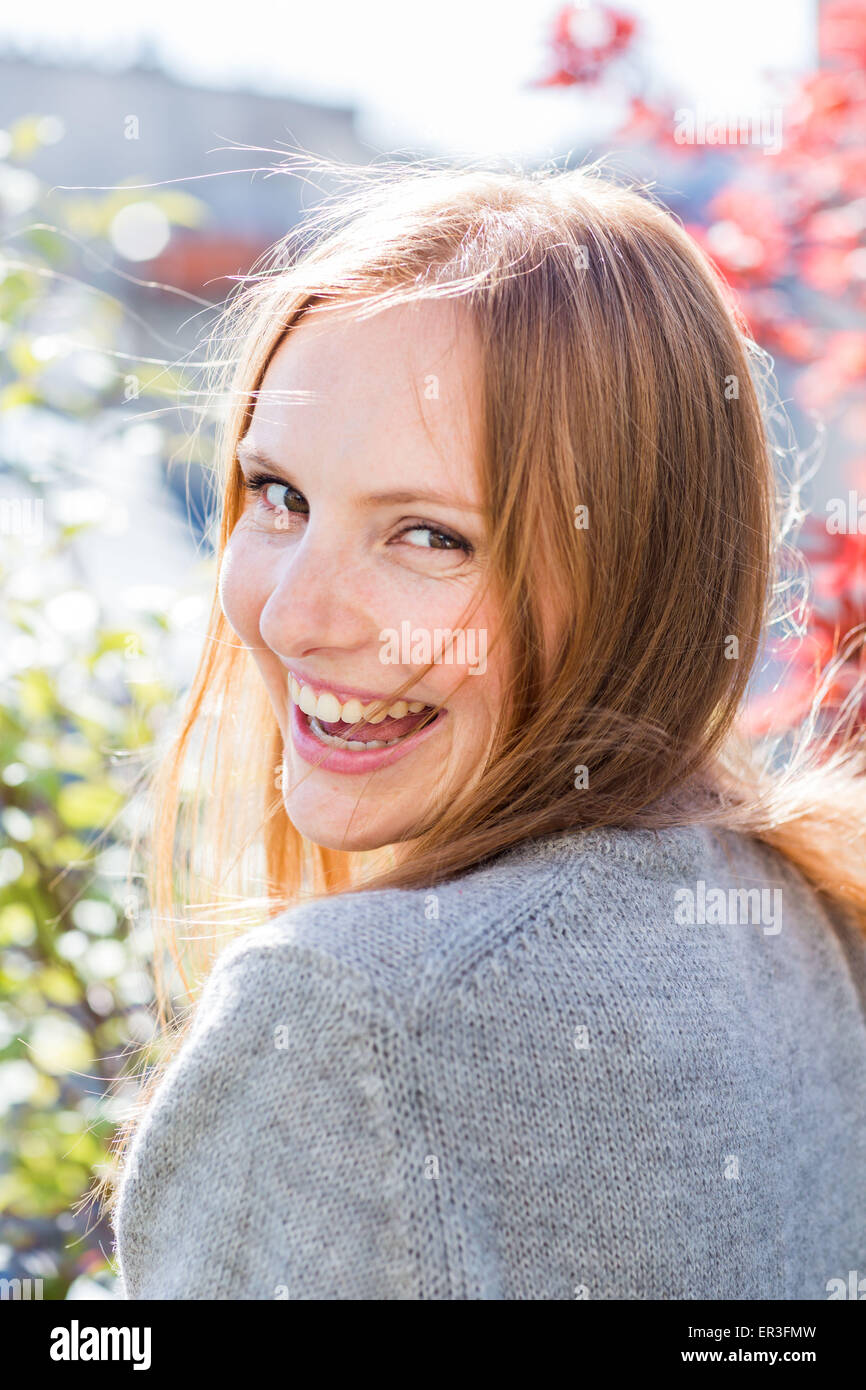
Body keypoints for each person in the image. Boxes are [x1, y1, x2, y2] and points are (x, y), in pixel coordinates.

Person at [107, 161, 866, 1300]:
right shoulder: (795, 919)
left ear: (635, 576)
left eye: (429, 536)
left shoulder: (347, 1018)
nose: (292, 615)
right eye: (279, 495)